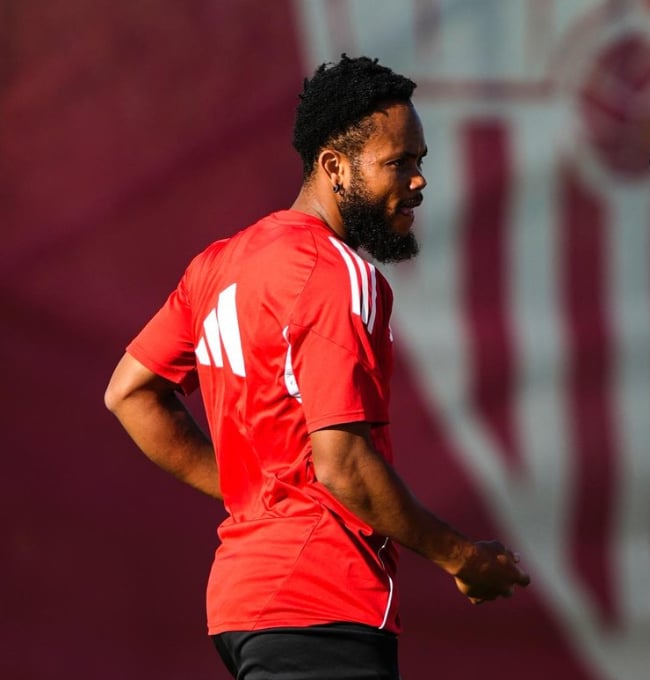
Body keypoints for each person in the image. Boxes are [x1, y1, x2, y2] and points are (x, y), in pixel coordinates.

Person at [104, 55, 530, 679]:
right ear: (334, 165)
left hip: (243, 604)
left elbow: (128, 393)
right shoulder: (339, 273)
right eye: (399, 162)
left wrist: (260, 496)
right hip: (318, 604)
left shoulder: (219, 263)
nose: (419, 182)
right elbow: (343, 464)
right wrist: (463, 558)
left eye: (421, 161)